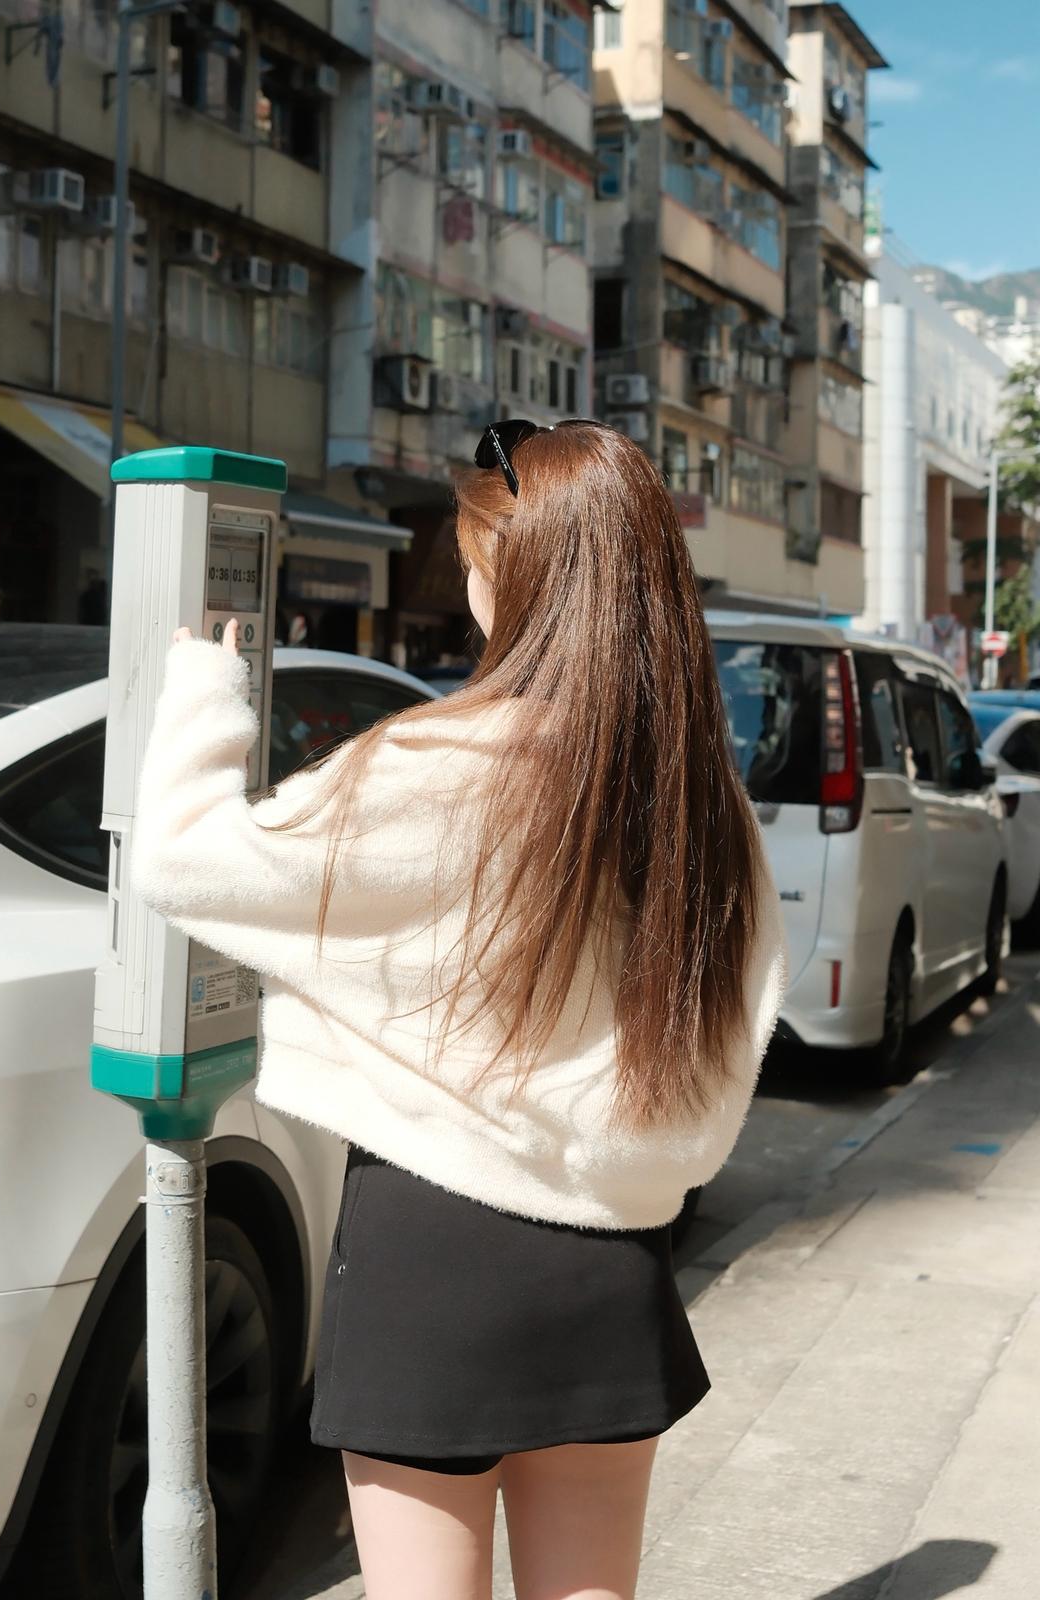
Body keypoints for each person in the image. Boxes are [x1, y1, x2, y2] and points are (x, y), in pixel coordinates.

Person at [133, 419, 788, 1600]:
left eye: (476, 560)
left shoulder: (438, 766)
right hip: (610, 1258)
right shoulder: (703, 803)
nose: (469, 583)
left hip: (432, 1255)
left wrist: (202, 690)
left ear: (519, 579)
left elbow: (189, 862)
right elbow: (731, 1033)